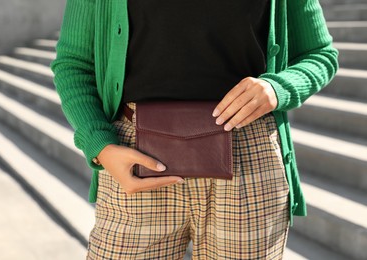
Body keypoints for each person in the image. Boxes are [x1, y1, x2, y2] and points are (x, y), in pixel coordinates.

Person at [50, 0, 338, 259]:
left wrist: (278, 88)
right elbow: (74, 64)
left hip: (248, 158)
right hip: (136, 156)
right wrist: (100, 144)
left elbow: (320, 54)